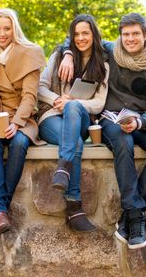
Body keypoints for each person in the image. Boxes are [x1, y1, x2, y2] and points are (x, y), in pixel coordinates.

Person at [58, 13, 146, 249]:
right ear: (120, 36)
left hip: (143, 121)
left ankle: (130, 215)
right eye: (125, 34)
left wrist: (140, 122)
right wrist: (68, 55)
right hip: (111, 119)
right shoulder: (110, 50)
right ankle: (136, 218)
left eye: (135, 34)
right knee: (123, 143)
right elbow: (78, 38)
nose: (130, 39)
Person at [37, 14, 109, 232]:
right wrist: (56, 100)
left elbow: (99, 103)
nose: (80, 38)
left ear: (94, 35)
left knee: (73, 107)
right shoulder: (59, 57)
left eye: (85, 33)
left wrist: (73, 103)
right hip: (50, 117)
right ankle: (74, 207)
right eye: (76, 34)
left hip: (80, 119)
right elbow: (39, 88)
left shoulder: (103, 65)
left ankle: (64, 168)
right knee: (75, 144)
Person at [0, 8, 46, 240]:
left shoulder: (30, 52)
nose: (2, 33)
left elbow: (30, 96)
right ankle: (1, 213)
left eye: (7, 28)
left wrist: (17, 123)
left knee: (18, 143)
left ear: (14, 29)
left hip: (23, 115)